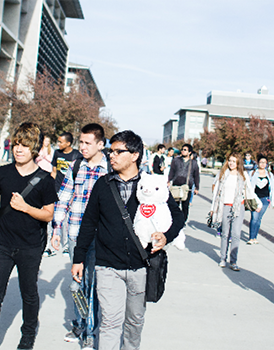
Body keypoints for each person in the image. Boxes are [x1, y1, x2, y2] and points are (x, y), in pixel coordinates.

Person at [71, 130, 185, 350]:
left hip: (140, 266)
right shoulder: (103, 185)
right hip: (107, 266)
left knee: (134, 322)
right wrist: (79, 258)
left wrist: (166, 236)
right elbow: (88, 223)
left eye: (117, 151)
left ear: (134, 155)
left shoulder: (151, 184)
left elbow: (177, 216)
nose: (111, 156)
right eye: (110, 151)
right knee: (110, 322)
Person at [0, 123, 58, 350]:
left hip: (30, 246)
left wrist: (25, 208)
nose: (18, 149)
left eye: (24, 145)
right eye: (16, 144)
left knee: (29, 293)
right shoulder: (1, 174)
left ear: (35, 149)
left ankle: (28, 334)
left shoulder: (45, 180)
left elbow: (48, 215)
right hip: (1, 243)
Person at [51, 124, 110, 349]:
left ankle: (90, 331)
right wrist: (57, 229)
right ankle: (81, 324)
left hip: (101, 237)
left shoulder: (109, 169)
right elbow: (64, 198)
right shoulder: (76, 166)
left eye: (88, 143)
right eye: (81, 143)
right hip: (76, 234)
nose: (82, 147)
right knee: (78, 284)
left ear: (100, 144)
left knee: (93, 284)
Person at [210, 153, 261, 271]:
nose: (231, 163)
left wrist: (258, 203)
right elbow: (216, 193)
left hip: (238, 207)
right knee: (225, 234)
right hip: (225, 206)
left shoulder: (243, 175)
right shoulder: (222, 174)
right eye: (230, 160)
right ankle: (223, 258)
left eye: (234, 161)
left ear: (238, 163)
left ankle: (233, 261)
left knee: (236, 234)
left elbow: (250, 190)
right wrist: (213, 209)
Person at [247, 154, 274, 244]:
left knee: (259, 218)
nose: (263, 164)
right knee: (254, 217)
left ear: (267, 164)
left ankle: (255, 237)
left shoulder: (269, 174)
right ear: (258, 163)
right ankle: (251, 238)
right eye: (261, 162)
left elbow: (273, 188)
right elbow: (248, 186)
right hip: (254, 199)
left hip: (265, 199)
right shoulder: (252, 173)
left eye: (264, 162)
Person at [168, 143, 200, 222]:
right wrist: (169, 180)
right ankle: (173, 221)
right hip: (176, 185)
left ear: (189, 152)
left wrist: (197, 187)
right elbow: (172, 171)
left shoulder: (194, 163)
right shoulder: (176, 160)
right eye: (182, 149)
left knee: (185, 206)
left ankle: (183, 221)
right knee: (174, 205)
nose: (183, 151)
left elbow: (196, 176)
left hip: (187, 186)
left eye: (185, 150)